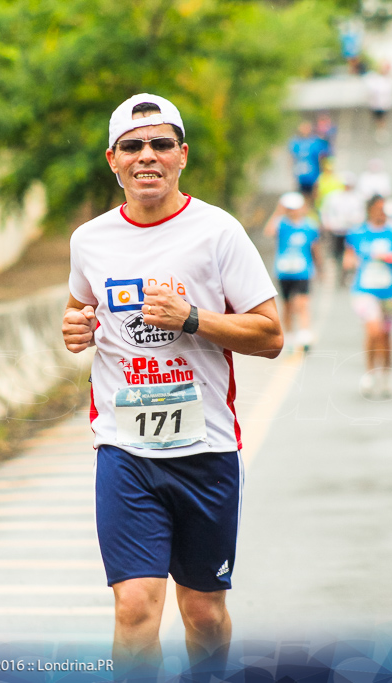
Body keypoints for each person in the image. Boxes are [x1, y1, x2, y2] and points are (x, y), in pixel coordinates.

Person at [62, 94, 283, 676]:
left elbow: (270, 335)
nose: (147, 157)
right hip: (125, 450)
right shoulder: (90, 241)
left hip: (205, 450)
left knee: (203, 615)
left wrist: (191, 319)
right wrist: (75, 327)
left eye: (161, 144)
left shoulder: (218, 232)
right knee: (134, 608)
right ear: (113, 160)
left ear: (182, 155)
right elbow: (79, 309)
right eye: (133, 147)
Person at [344, 194, 392, 399]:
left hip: (391, 292)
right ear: (370, 210)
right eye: (378, 208)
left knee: (386, 336)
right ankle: (370, 373)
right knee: (374, 330)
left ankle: (386, 376)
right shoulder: (358, 233)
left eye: (384, 209)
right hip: (364, 291)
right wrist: (349, 263)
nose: (382, 212)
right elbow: (349, 255)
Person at [264, 192, 324, 353]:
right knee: (288, 306)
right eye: (289, 208)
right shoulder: (282, 224)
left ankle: (304, 335)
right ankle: (289, 336)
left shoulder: (310, 226)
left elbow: (315, 248)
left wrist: (320, 267)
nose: (292, 211)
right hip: (284, 272)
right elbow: (269, 231)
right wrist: (278, 211)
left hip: (303, 271)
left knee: (302, 303)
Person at [320, 171, 364, 287]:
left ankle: (349, 273)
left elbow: (361, 214)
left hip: (352, 231)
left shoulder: (358, 198)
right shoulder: (334, 197)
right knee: (337, 253)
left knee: (352, 253)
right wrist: (327, 224)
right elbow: (325, 211)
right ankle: (340, 273)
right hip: (337, 230)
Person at [289, 120, 331, 201]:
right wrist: (292, 174)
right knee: (301, 198)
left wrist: (322, 174)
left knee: (314, 197)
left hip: (314, 175)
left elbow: (322, 157)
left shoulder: (316, 142)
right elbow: (292, 159)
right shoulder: (296, 142)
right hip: (301, 176)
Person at [364, 63, 392, 143]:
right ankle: (378, 130)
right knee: (378, 118)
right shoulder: (374, 78)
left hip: (383, 104)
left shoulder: (387, 80)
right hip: (376, 104)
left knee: (382, 118)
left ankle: (381, 131)